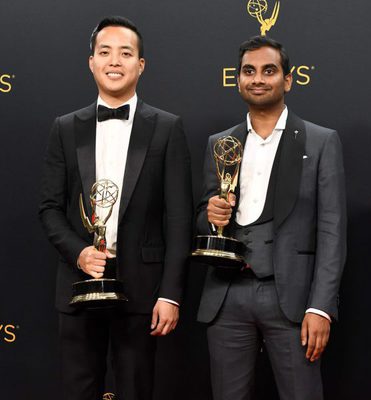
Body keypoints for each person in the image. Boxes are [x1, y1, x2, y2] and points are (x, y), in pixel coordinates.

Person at [39, 16, 192, 400]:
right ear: (91, 61)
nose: (114, 61)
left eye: (126, 53)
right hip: (78, 287)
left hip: (143, 291)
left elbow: (178, 219)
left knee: (137, 390)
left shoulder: (167, 128)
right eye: (105, 52)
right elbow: (50, 208)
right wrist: (80, 253)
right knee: (78, 390)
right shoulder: (65, 127)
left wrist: (170, 294)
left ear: (141, 65)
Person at [196, 36, 346, 400]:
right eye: (249, 71)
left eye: (269, 71)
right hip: (227, 296)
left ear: (288, 80)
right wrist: (210, 216)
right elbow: (203, 219)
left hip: (292, 300)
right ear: (238, 79)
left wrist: (321, 307)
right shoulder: (221, 143)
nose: (258, 79)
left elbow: (332, 230)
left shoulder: (320, 141)